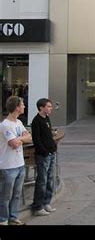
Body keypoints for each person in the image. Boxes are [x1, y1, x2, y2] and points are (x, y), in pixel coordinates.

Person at [0, 96, 32, 225]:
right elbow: (13, 143)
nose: (24, 106)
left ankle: (13, 217)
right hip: (8, 165)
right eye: (22, 104)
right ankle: (3, 219)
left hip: (20, 164)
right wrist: (21, 138)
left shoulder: (18, 123)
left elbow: (29, 137)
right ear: (17, 107)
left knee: (17, 194)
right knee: (6, 196)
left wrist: (20, 139)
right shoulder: (5, 125)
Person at [31, 98, 58, 216]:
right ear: (41, 107)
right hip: (43, 155)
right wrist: (45, 152)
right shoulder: (36, 121)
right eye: (48, 106)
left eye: (51, 106)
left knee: (50, 179)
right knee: (42, 180)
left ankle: (47, 202)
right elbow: (36, 140)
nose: (50, 108)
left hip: (51, 153)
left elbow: (46, 135)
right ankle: (38, 206)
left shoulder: (47, 118)